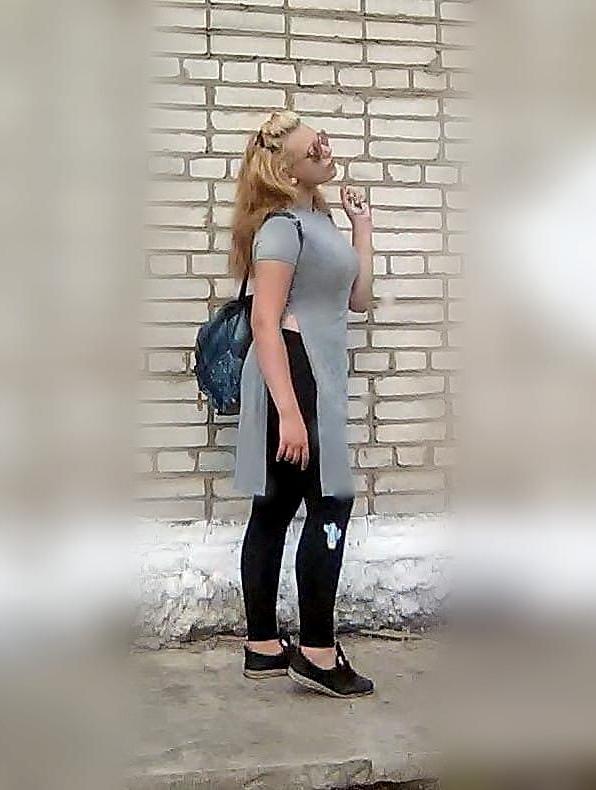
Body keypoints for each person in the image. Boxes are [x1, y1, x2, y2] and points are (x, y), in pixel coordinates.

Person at [229, 110, 374, 698]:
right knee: (332, 501)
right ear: (288, 169)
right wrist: (289, 412)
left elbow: (358, 300)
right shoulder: (281, 229)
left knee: (275, 507)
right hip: (294, 372)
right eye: (315, 146)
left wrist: (362, 225)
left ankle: (263, 647)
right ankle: (316, 651)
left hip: (315, 372)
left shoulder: (318, 221)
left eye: (323, 139)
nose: (326, 148)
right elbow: (265, 321)